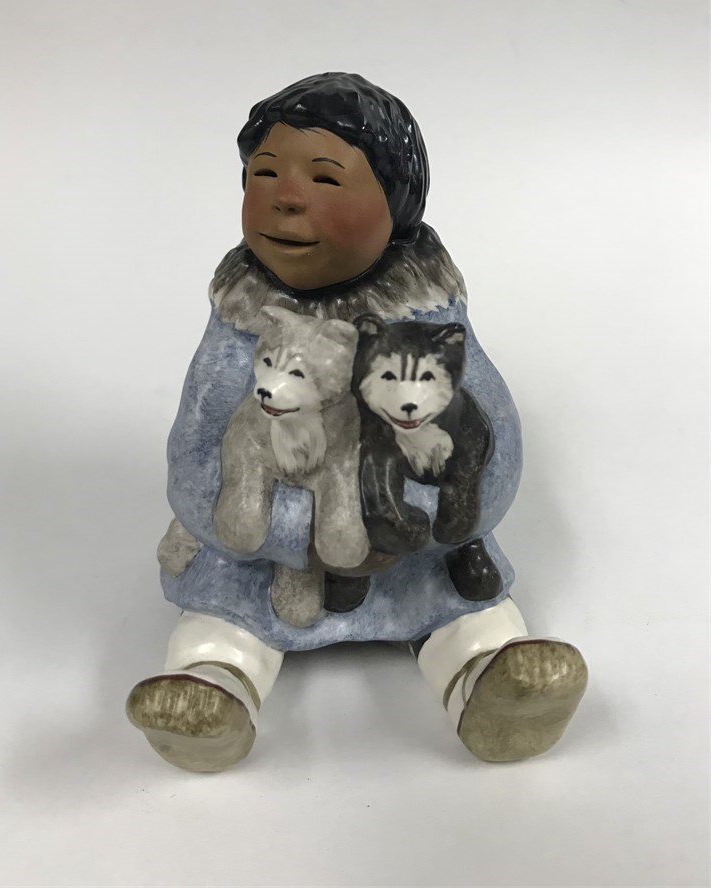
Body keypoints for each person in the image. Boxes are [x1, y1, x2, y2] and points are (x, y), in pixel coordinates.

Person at [126, 73, 587, 772]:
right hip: (262, 544)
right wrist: (295, 534)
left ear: (396, 206)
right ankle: (213, 686)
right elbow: (195, 456)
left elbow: (493, 443)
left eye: (325, 178)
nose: (285, 196)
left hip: (412, 544)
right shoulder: (241, 323)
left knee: (462, 606)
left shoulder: (428, 322)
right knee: (224, 608)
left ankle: (487, 676)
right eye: (264, 173)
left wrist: (426, 519)